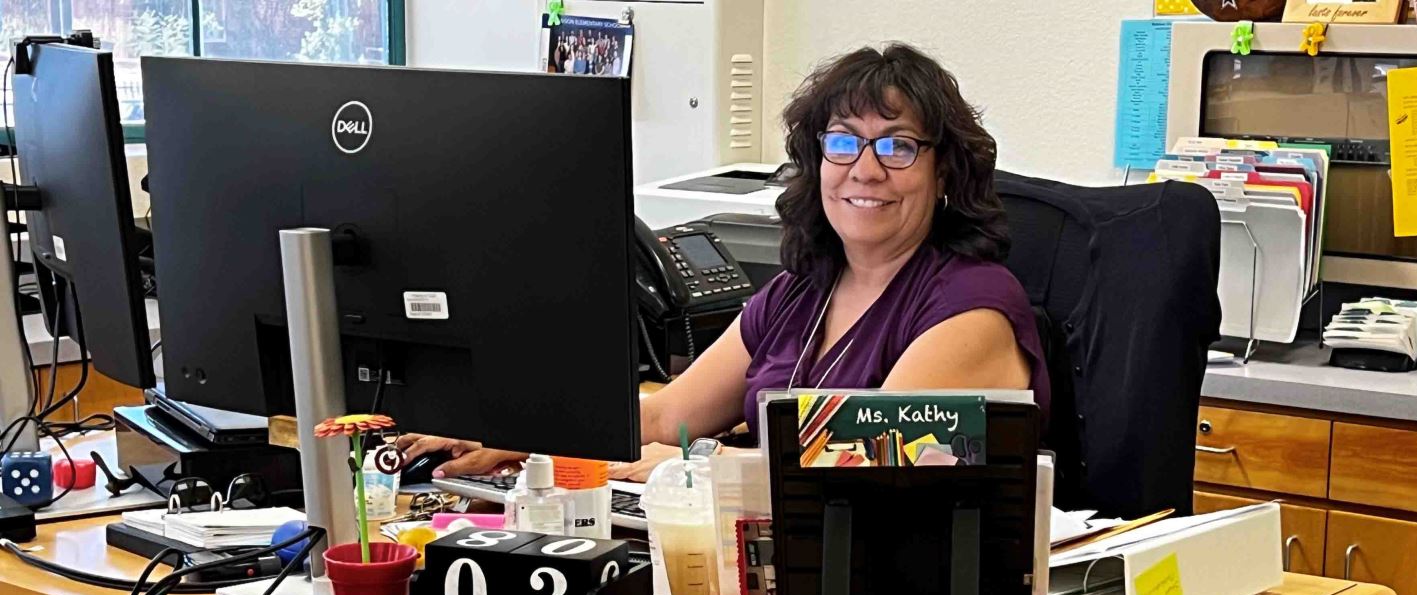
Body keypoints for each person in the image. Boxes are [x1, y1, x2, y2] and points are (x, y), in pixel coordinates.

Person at [399, 43, 1049, 482]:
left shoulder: (973, 308)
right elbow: (661, 416)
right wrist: (511, 427)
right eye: (844, 142)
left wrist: (685, 465)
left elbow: (855, 467)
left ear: (943, 172)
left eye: (899, 146)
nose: (866, 169)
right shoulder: (801, 293)